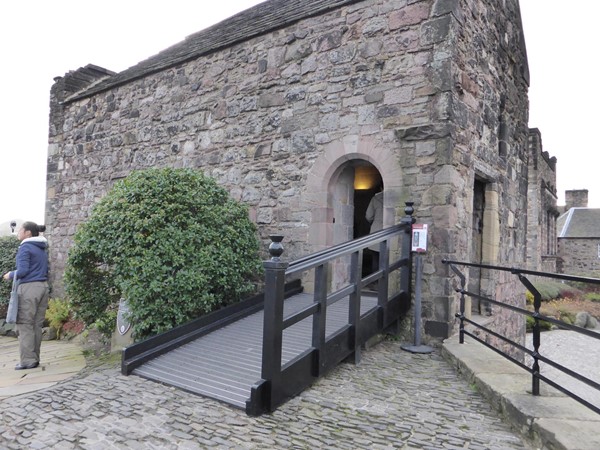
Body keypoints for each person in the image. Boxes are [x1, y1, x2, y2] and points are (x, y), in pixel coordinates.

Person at [2, 222, 49, 370]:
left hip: (29, 288)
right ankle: (34, 358)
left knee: (24, 325)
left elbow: (22, 271)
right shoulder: (41, 248)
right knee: (36, 325)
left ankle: (28, 361)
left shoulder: (25, 247)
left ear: (28, 233)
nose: (18, 232)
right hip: (43, 287)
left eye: (20, 230)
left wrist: (9, 274)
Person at [365, 182, 384, 274]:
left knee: (376, 258)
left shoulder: (375, 199)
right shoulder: (393, 198)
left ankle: (375, 281)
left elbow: (369, 216)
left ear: (381, 188)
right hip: (391, 231)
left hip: (377, 230)